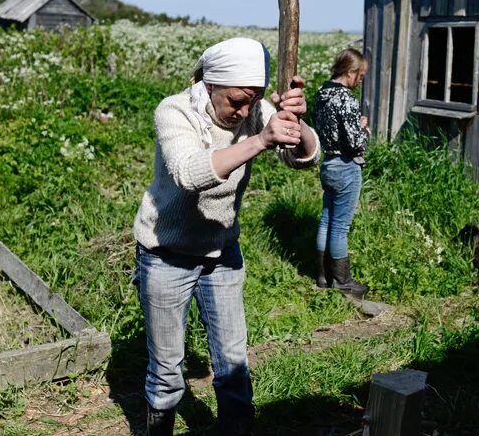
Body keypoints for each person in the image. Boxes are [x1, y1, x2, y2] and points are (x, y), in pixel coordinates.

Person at [132, 37, 319, 436]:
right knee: (167, 370)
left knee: (233, 363)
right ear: (211, 84)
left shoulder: (253, 110)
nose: (245, 110)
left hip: (221, 253)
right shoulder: (175, 110)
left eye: (253, 100)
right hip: (166, 255)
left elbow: (304, 157)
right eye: (236, 100)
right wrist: (262, 139)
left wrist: (296, 126)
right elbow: (189, 173)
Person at [314, 48, 370, 299]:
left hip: (328, 163)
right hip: (346, 165)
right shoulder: (347, 99)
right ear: (350, 72)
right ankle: (342, 281)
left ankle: (323, 276)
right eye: (361, 75)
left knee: (326, 219)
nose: (361, 80)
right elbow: (354, 143)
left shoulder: (322, 93)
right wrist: (363, 130)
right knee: (340, 227)